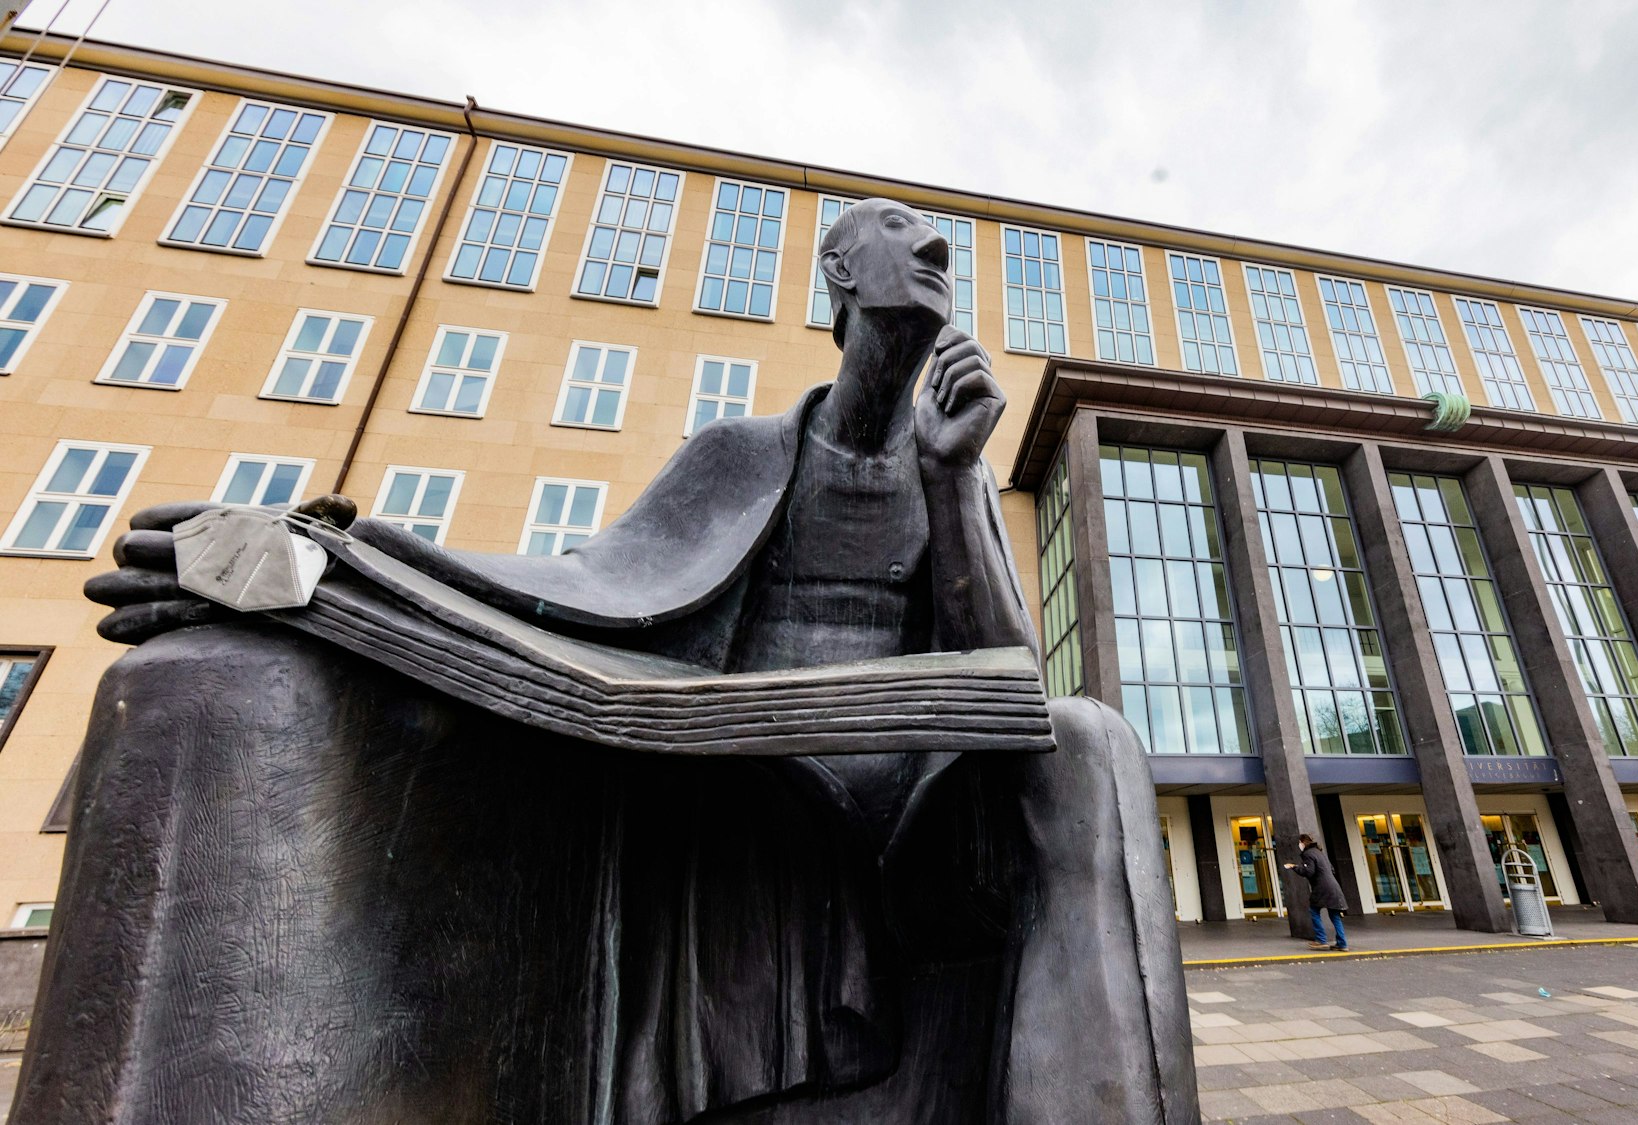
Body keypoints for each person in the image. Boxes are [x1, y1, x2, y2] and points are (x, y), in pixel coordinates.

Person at [15, 199, 1197, 1124]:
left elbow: (1002, 680)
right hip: (749, 785)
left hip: (916, 816)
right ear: (837, 278)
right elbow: (588, 591)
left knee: (1089, 740)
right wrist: (350, 568)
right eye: (896, 231)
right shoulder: (739, 452)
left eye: (936, 238)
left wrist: (949, 477)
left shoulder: (959, 466)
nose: (934, 246)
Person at [1282, 834, 1349, 951]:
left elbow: (1309, 872)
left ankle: (1321, 939)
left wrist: (1294, 867)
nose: (1299, 845)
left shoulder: (1308, 854)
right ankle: (1342, 943)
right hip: (1333, 887)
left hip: (1321, 888)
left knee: (1314, 911)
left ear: (1303, 842)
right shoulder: (1319, 853)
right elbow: (1331, 869)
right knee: (1335, 916)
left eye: (1299, 842)